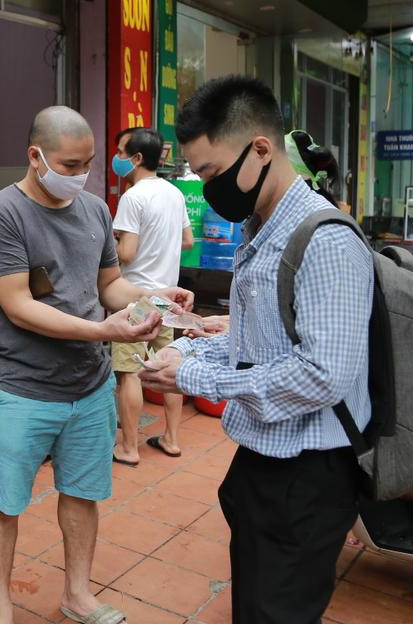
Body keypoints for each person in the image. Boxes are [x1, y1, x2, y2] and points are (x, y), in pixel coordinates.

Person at [140, 75, 373, 624]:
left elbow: (321, 375)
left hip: (309, 473)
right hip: (267, 460)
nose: (210, 188)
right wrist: (191, 355)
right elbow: (261, 346)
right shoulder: (261, 229)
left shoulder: (326, 240)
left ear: (261, 149)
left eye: (212, 174)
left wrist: (194, 380)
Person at [0, 106, 194, 624]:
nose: (80, 175)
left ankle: (77, 594)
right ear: (35, 156)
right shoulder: (1, 214)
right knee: (4, 502)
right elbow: (19, 306)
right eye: (69, 165)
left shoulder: (95, 210)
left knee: (82, 495)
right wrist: (103, 330)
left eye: (89, 164)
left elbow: (108, 287)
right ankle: (2, 608)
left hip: (89, 386)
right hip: (22, 386)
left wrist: (156, 297)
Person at [109, 127, 193, 464]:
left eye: (120, 151)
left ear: (137, 158)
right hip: (169, 294)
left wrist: (106, 241)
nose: (116, 158)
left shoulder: (133, 196)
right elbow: (187, 241)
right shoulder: (175, 193)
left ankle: (129, 447)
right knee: (169, 368)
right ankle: (171, 439)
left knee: (129, 372)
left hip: (137, 298)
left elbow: (126, 253)